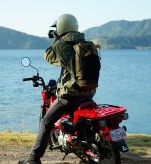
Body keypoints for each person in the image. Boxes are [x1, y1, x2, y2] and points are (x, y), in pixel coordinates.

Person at [19, 14, 96, 164]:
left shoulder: (62, 44)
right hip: (89, 92)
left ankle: (33, 159)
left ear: (60, 27)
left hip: (70, 96)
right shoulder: (87, 44)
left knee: (46, 122)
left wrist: (55, 40)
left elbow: (48, 56)